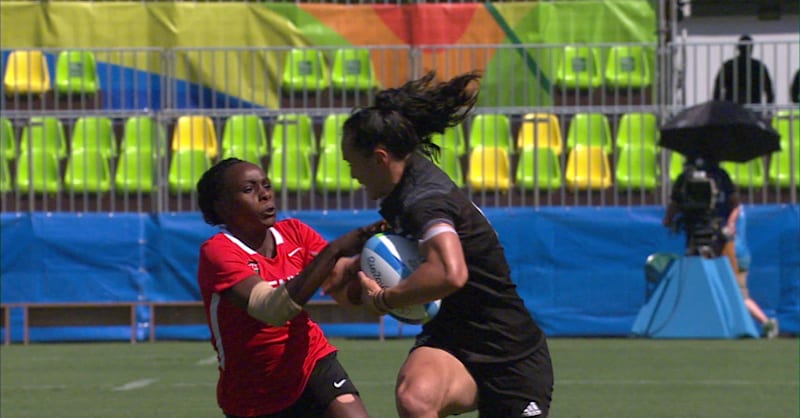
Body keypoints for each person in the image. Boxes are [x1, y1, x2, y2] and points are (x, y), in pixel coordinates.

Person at [324, 71, 554, 418]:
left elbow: (449, 273)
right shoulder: (405, 186)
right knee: (417, 398)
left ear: (379, 158)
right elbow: (410, 244)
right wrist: (356, 262)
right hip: (452, 341)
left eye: (351, 163)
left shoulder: (424, 199)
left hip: (510, 355)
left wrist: (385, 300)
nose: (352, 174)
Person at [195, 157, 379, 418]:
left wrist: (370, 263)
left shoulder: (295, 232)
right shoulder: (218, 252)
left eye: (266, 185)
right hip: (252, 391)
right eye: (249, 189)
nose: (264, 194)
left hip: (310, 362)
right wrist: (336, 249)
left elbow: (337, 283)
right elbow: (272, 309)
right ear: (221, 207)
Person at [662, 157, 739, 269]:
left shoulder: (721, 177)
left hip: (719, 232)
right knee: (694, 269)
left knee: (727, 272)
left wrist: (731, 223)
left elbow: (735, 204)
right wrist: (669, 218)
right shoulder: (684, 179)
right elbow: (675, 203)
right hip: (693, 228)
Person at [728, 204, 780, 338]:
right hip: (740, 254)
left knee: (740, 296)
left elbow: (730, 225)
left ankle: (767, 323)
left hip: (734, 254)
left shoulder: (733, 209)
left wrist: (730, 223)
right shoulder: (739, 210)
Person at [712, 34, 775, 106]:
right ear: (752, 48)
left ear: (738, 48)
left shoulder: (728, 65)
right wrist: (768, 109)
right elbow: (769, 91)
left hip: (731, 108)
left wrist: (718, 108)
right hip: (753, 108)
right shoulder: (758, 66)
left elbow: (717, 89)